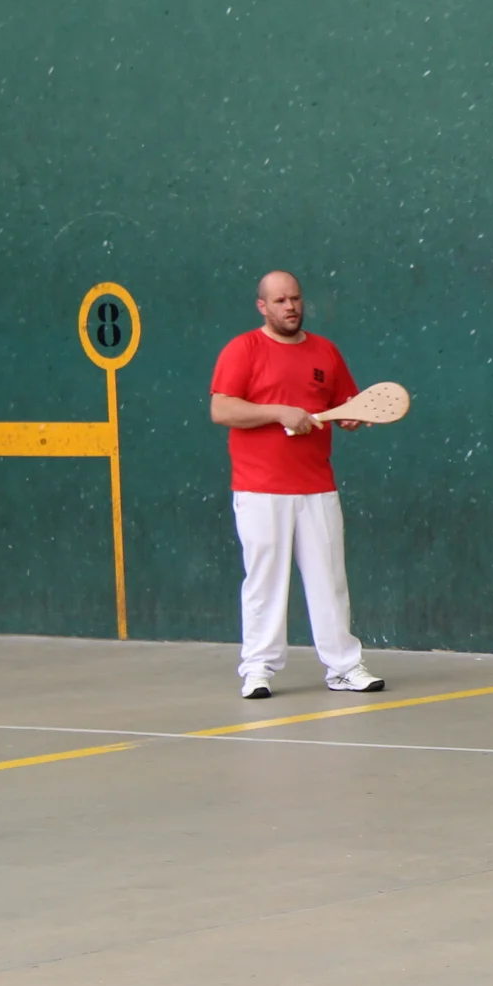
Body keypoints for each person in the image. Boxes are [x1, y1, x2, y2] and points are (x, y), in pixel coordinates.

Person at [208, 271, 383, 699]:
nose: (290, 307)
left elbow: (345, 406)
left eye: (296, 299)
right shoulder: (243, 349)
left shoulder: (325, 351)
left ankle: (344, 667)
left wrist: (350, 418)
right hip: (260, 488)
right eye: (280, 300)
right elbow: (222, 409)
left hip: (317, 486)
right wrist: (278, 412)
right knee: (265, 582)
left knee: (330, 580)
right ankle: (258, 669)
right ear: (262, 307)